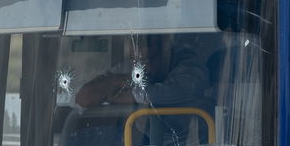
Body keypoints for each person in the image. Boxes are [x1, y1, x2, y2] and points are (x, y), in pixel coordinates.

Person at [74, 33, 208, 108]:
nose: (143, 66)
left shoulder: (188, 64)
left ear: (166, 47)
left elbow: (186, 89)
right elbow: (82, 99)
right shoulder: (128, 68)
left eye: (151, 58)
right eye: (139, 60)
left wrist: (136, 95)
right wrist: (114, 81)